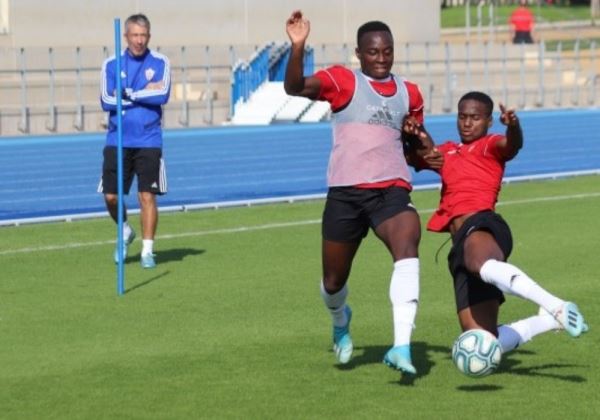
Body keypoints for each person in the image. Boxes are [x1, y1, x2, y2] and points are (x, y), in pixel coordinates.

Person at [284, 10, 440, 375]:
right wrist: (297, 46)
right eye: (373, 52)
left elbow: (414, 151)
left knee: (408, 245)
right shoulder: (342, 81)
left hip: (391, 191)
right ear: (359, 53)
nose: (381, 58)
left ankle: (402, 346)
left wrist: (426, 149)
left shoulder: (410, 93)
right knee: (333, 282)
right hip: (346, 194)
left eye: (387, 51)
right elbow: (293, 87)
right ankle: (340, 320)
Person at [403, 91, 588, 361]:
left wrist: (513, 126)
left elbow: (511, 145)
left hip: (483, 225)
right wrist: (412, 133)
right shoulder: (447, 152)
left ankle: (555, 305)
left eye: (475, 118)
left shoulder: (490, 146)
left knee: (479, 261)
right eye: (462, 117)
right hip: (459, 248)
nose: (467, 123)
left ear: (489, 122)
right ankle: (548, 321)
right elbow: (420, 155)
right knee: (481, 339)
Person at [99, 13, 171, 269]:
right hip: (117, 140)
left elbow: (161, 94)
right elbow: (107, 100)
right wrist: (144, 93)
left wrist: (128, 94)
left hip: (148, 140)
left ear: (149, 36)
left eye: (144, 35)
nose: (139, 40)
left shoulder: (160, 61)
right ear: (126, 36)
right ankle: (125, 230)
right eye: (135, 35)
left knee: (146, 196)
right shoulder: (111, 64)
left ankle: (147, 251)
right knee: (111, 196)